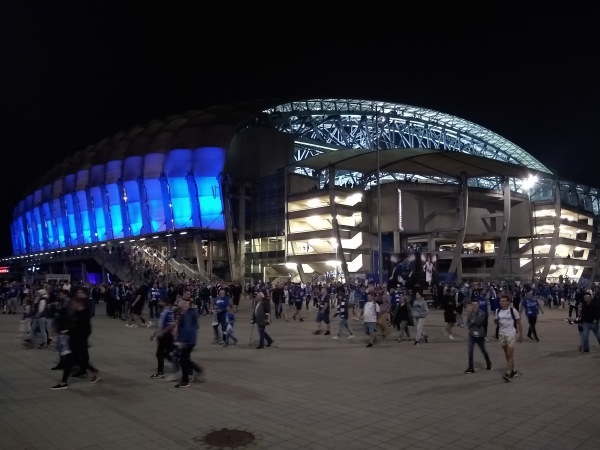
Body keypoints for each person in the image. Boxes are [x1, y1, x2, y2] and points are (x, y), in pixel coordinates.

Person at [174, 290, 203, 387]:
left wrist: (182, 340)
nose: (180, 306)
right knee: (185, 358)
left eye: (181, 305)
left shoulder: (188, 315)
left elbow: (188, 329)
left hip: (188, 340)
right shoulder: (189, 313)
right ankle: (194, 372)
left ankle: (185, 380)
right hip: (190, 339)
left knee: (183, 359)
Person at [494, 293, 523, 382]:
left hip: (511, 334)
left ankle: (508, 373)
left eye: (503, 301)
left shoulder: (513, 311)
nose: (501, 302)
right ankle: (514, 371)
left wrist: (521, 335)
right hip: (501, 334)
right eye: (500, 301)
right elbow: (496, 322)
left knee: (509, 354)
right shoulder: (497, 311)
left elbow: (519, 323)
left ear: (508, 302)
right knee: (507, 354)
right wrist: (496, 321)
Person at [150, 296, 176, 378]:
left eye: (160, 302)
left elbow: (171, 324)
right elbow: (160, 325)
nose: (159, 303)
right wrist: (154, 333)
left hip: (166, 337)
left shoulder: (168, 312)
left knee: (160, 354)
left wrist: (162, 333)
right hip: (163, 336)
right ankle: (179, 366)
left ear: (165, 303)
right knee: (166, 354)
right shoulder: (163, 312)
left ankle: (160, 372)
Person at [464, 298, 492, 373]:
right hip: (471, 335)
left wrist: (472, 321)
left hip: (480, 335)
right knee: (470, 351)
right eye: (473, 304)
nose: (474, 306)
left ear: (478, 305)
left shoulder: (482, 313)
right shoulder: (470, 313)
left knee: (483, 350)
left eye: (476, 304)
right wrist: (471, 323)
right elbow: (468, 323)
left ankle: (488, 362)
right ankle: (471, 368)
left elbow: (478, 322)